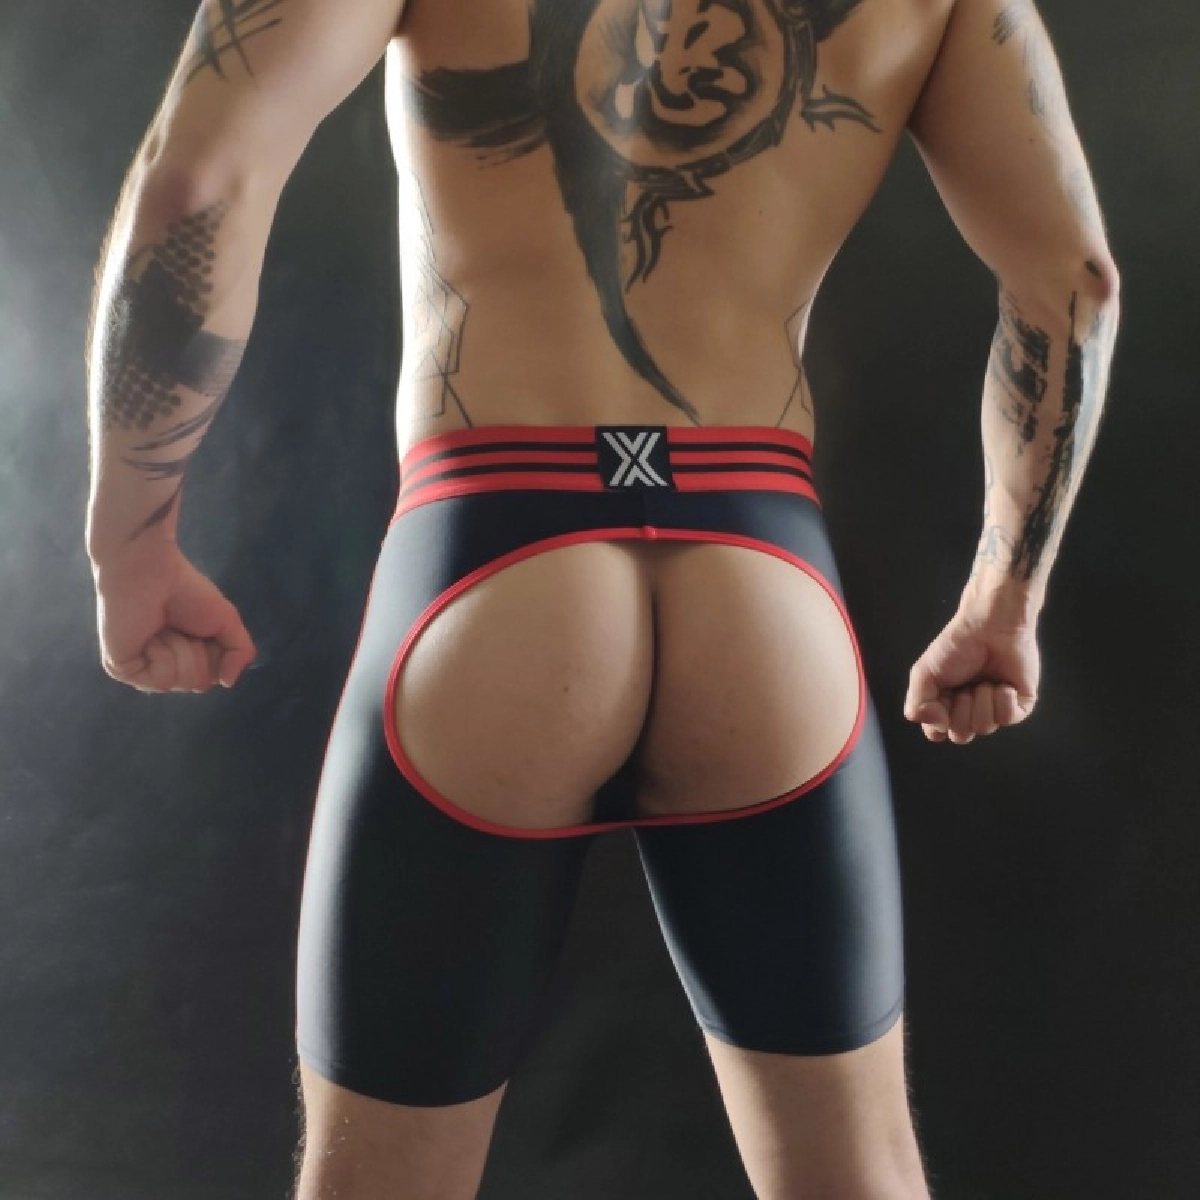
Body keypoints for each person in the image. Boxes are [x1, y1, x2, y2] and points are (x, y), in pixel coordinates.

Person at [84, 1, 1119, 1197]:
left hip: (493, 557)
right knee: (860, 1174)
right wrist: (1004, 597)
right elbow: (1075, 282)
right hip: (762, 583)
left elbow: (199, 182)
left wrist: (133, 541)